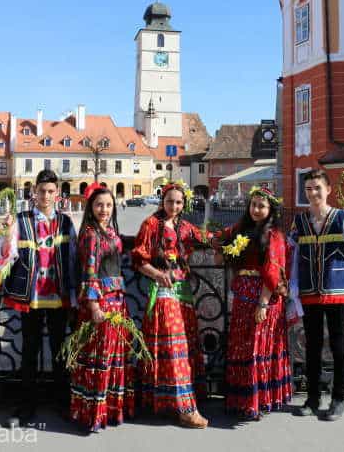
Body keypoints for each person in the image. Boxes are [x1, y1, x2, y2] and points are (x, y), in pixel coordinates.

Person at [289, 169, 344, 421]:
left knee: (339, 345)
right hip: (309, 290)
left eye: (317, 187)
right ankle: (313, 397)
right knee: (312, 346)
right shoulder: (299, 222)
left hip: (337, 288)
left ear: (328, 190)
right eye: (308, 189)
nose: (313, 193)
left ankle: (339, 398)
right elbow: (289, 251)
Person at [0, 169, 78, 426]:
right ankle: (26, 405)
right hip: (30, 296)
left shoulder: (65, 222)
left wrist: (74, 296)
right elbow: (6, 255)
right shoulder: (20, 220)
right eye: (42, 191)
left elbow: (73, 258)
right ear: (34, 193)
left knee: (59, 351)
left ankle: (62, 401)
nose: (46, 195)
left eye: (51, 191)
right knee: (29, 351)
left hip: (58, 296)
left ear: (57, 194)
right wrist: (7, 232)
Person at [131, 181, 210, 429]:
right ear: (162, 201)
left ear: (183, 204)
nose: (173, 206)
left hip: (183, 291)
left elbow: (207, 239)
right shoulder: (151, 225)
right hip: (163, 291)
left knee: (184, 348)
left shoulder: (185, 227)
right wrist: (157, 274)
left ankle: (169, 402)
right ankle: (186, 408)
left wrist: (237, 239)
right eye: (169, 201)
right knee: (174, 348)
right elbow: (138, 259)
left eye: (178, 202)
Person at [216, 187, 292, 420]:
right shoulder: (240, 230)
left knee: (258, 347)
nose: (256, 210)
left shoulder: (274, 236)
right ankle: (240, 399)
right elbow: (219, 241)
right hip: (242, 295)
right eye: (253, 205)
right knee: (243, 345)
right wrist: (219, 246)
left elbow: (272, 271)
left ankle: (256, 402)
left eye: (262, 206)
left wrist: (263, 303)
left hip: (263, 296)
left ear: (270, 210)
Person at [69, 183, 135, 431]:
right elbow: (90, 272)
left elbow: (120, 245)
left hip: (117, 300)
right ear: (91, 207)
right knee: (100, 356)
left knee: (112, 355)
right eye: (99, 205)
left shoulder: (108, 231)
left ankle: (108, 410)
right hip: (102, 303)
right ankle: (93, 413)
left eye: (108, 205)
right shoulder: (90, 234)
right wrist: (95, 306)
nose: (104, 209)